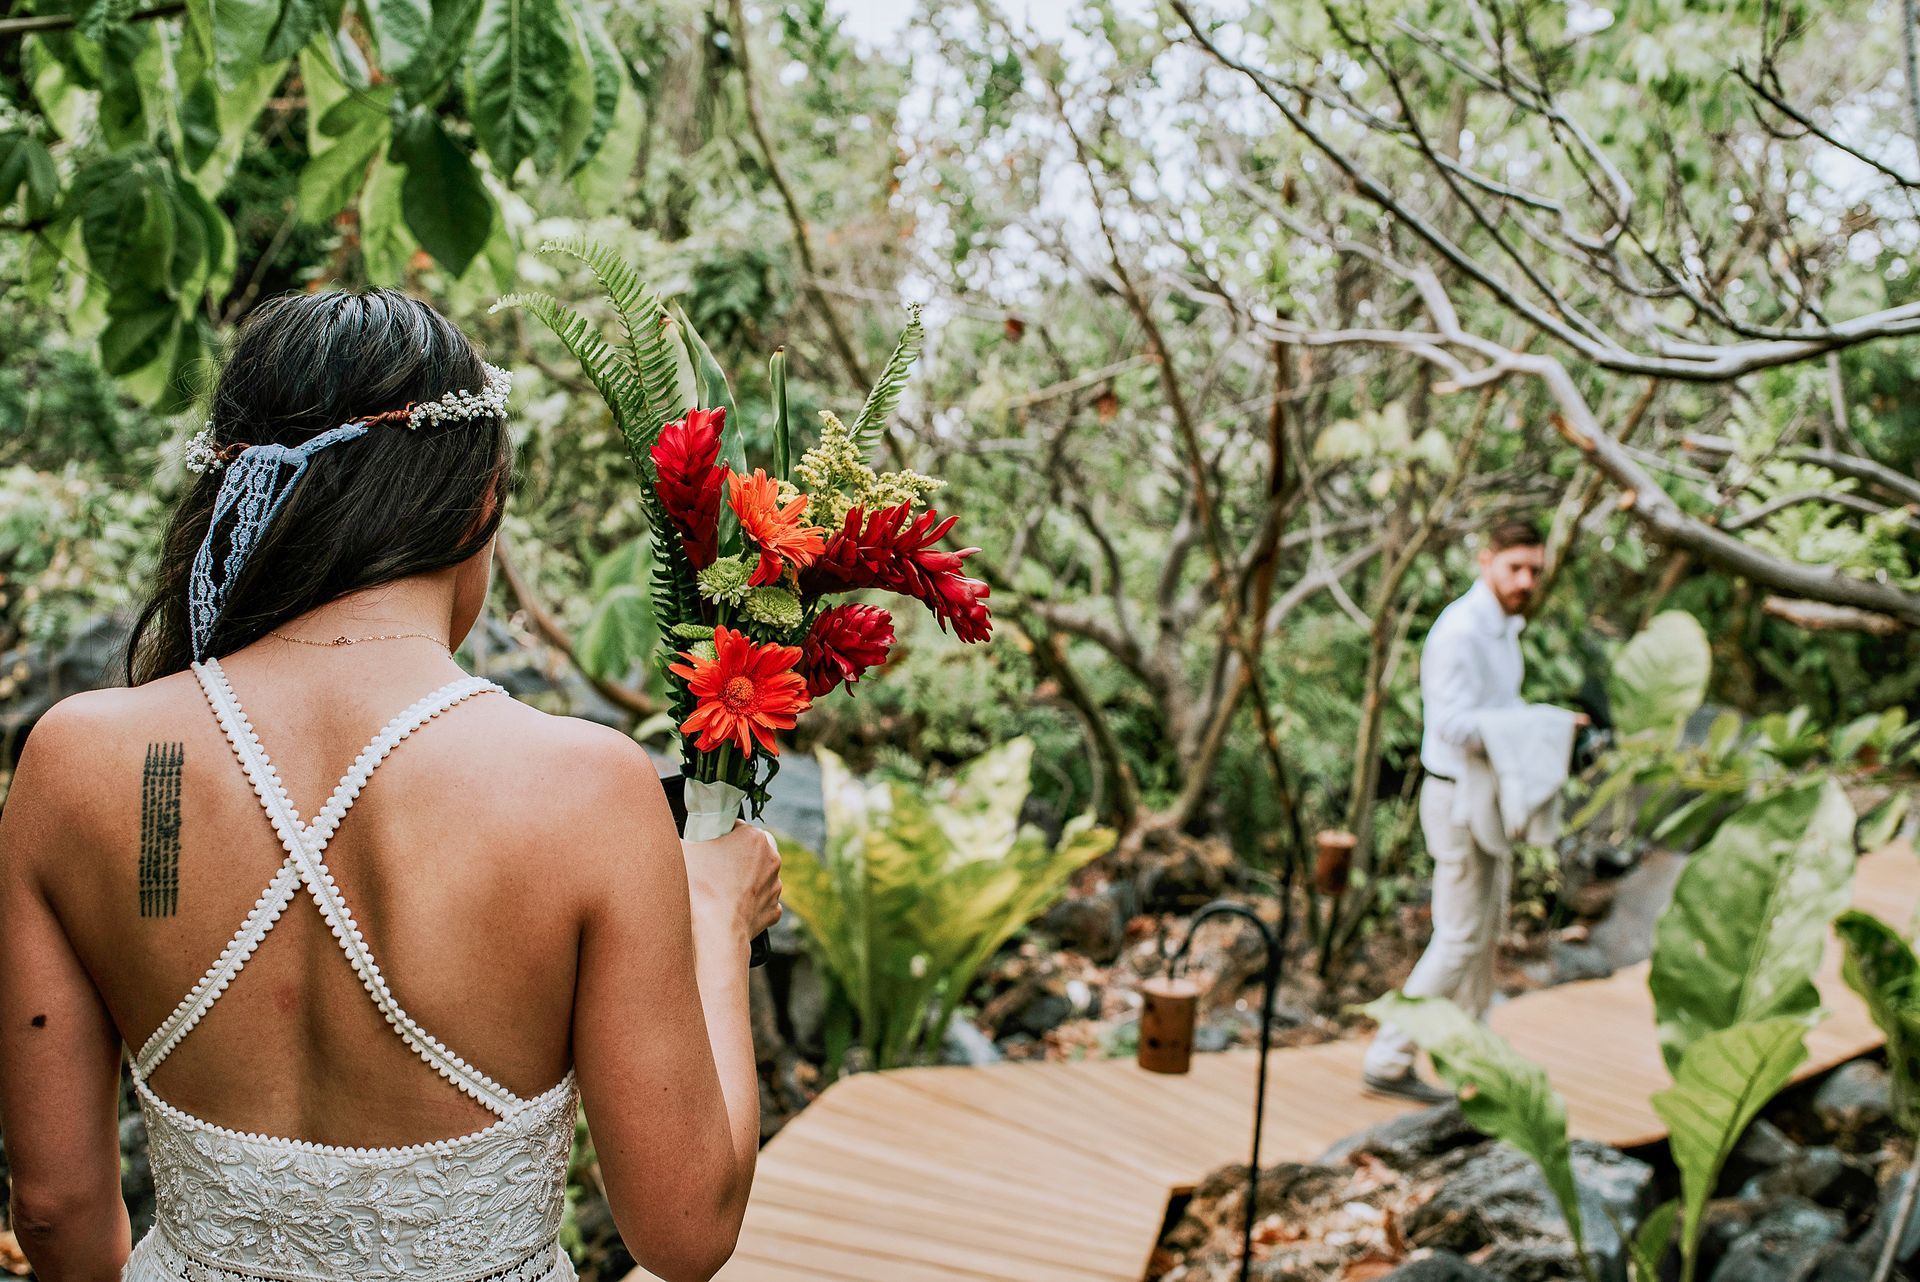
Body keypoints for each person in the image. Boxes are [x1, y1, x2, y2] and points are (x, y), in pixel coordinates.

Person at [0, 289, 781, 1282]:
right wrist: (712, 908)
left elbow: (59, 1210)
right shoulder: (585, 790)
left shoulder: (76, 760)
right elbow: (687, 1232)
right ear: (482, 497)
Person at [1361, 517, 1583, 1104]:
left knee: (1484, 936)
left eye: (1535, 569)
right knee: (1459, 936)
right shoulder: (1459, 632)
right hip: (1456, 797)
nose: (1526, 579)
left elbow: (1499, 709)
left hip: (1489, 796)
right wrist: (1540, 725)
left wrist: (1547, 723)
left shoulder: (1504, 629)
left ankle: (1475, 1059)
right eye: (1516, 567)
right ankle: (1388, 1057)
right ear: (1486, 561)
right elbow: (1454, 726)